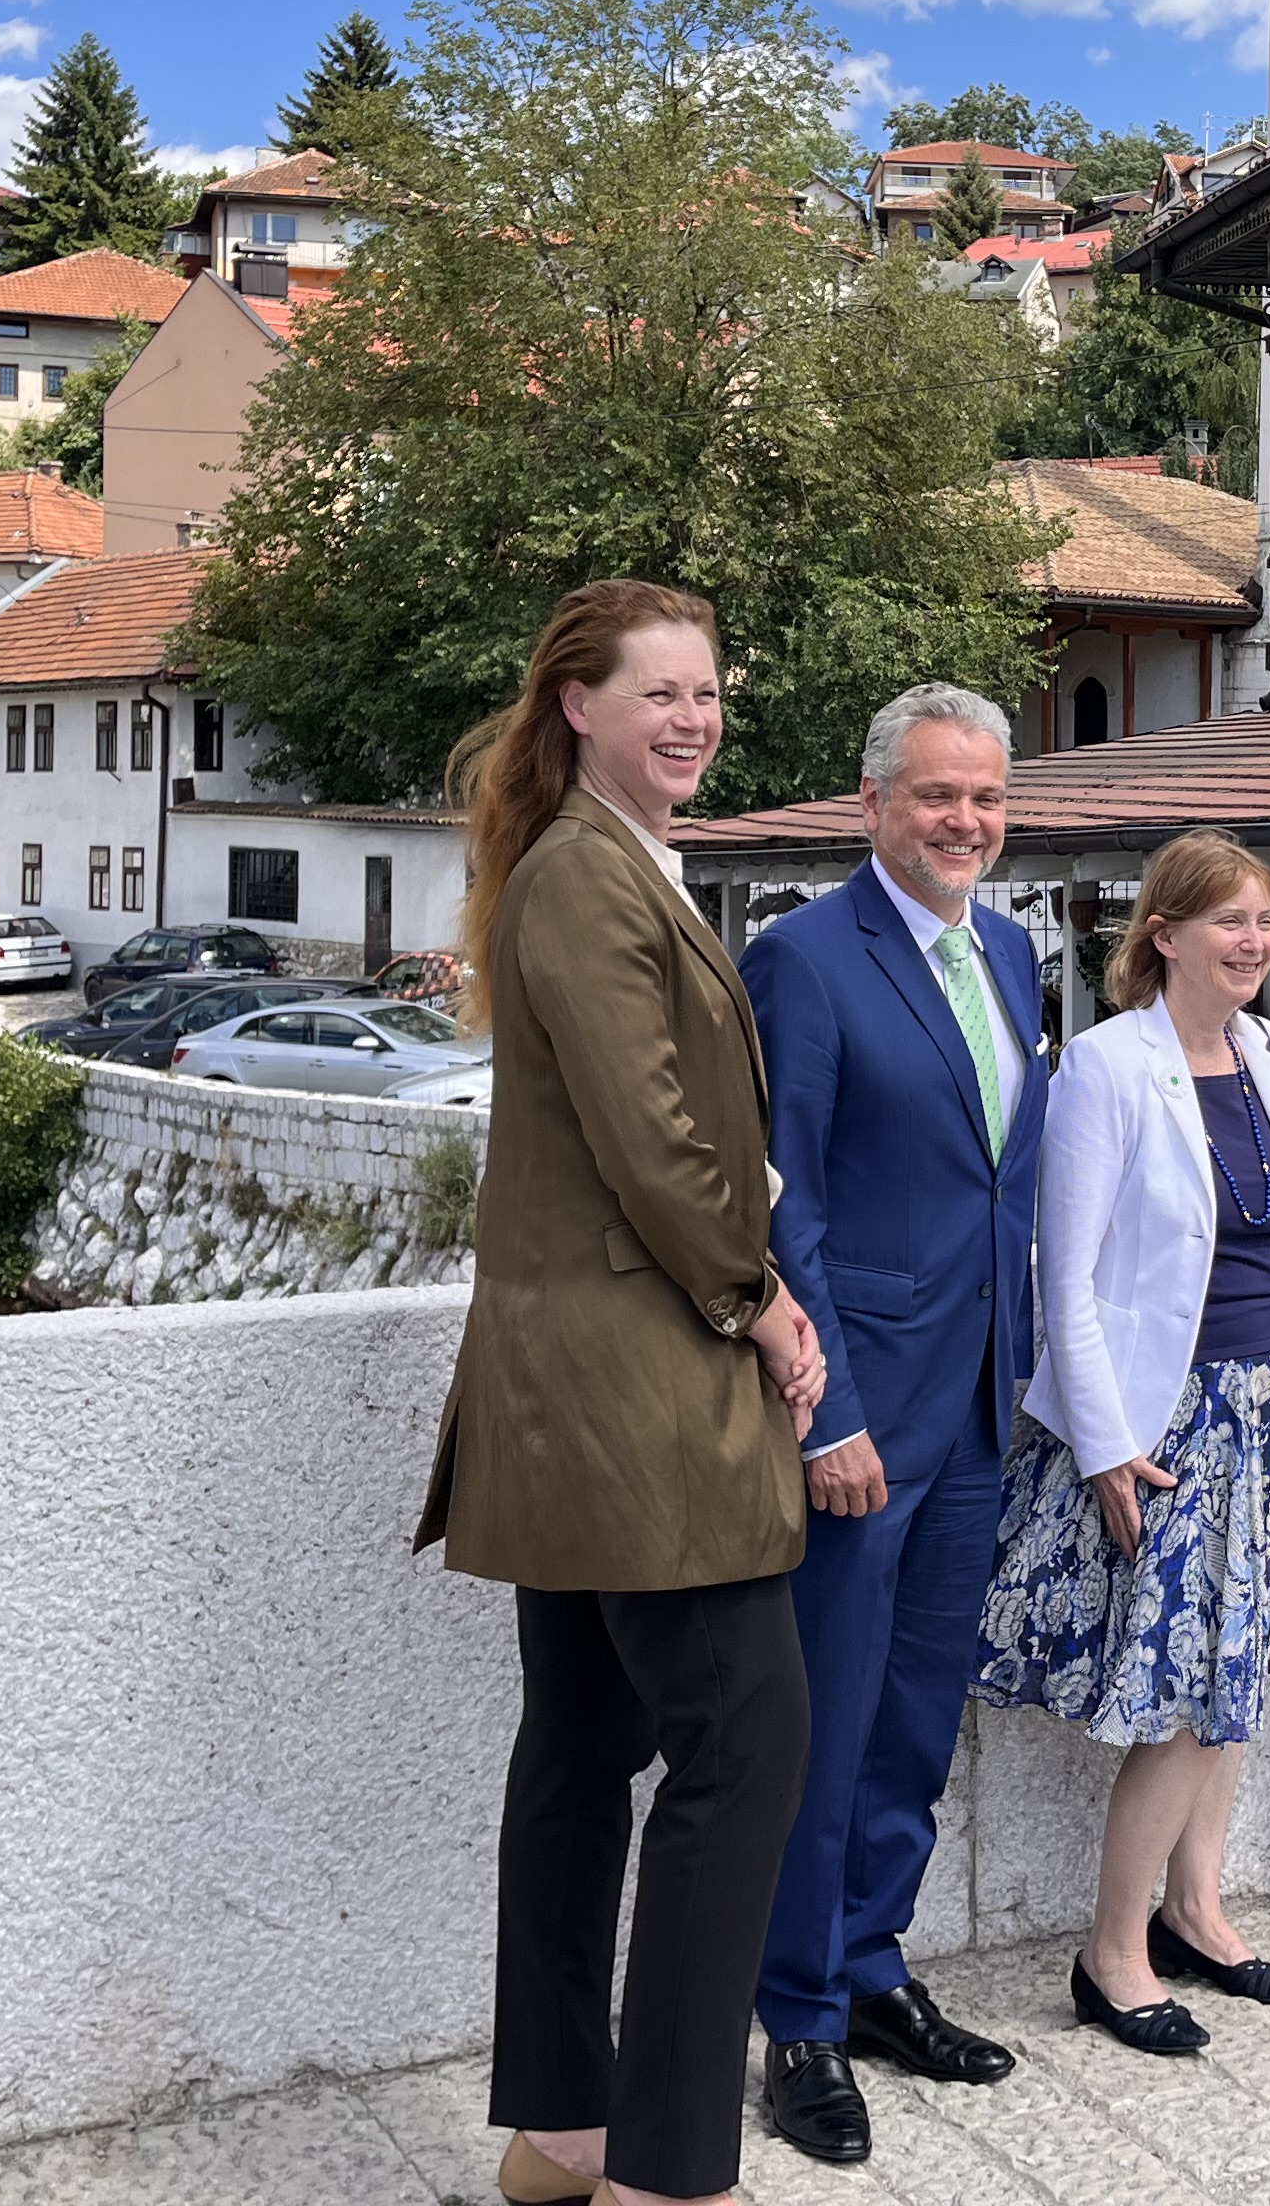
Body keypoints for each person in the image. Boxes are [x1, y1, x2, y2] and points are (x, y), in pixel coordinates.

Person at [418, 581, 828, 2206]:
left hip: (571, 1386)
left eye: (706, 691)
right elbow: (656, 1139)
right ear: (576, 704)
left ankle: (565, 2130)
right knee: (747, 1737)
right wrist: (761, 1298)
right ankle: (667, 2167)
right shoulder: (589, 877)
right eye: (660, 690)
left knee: (586, 1744)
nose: (693, 717)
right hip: (633, 1382)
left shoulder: (597, 861)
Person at [973, 828, 1270, 2055]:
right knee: (1186, 1693)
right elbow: (1066, 1278)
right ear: (1165, 935)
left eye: (1265, 921)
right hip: (1171, 1419)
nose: (1254, 941)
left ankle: (1197, 1910)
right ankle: (1112, 1954)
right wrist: (1102, 1446)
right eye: (1229, 920)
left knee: (1230, 1676)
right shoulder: (1105, 1065)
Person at [741, 687, 1046, 2167]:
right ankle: (795, 2015)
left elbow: (1001, 1182)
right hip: (858, 1416)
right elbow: (777, 1201)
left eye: (985, 797)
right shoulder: (804, 959)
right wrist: (828, 1419)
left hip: (980, 1403)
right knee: (828, 1723)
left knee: (918, 1717)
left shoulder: (1012, 952)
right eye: (937, 795)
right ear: (873, 804)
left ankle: (872, 1968)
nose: (964, 822)